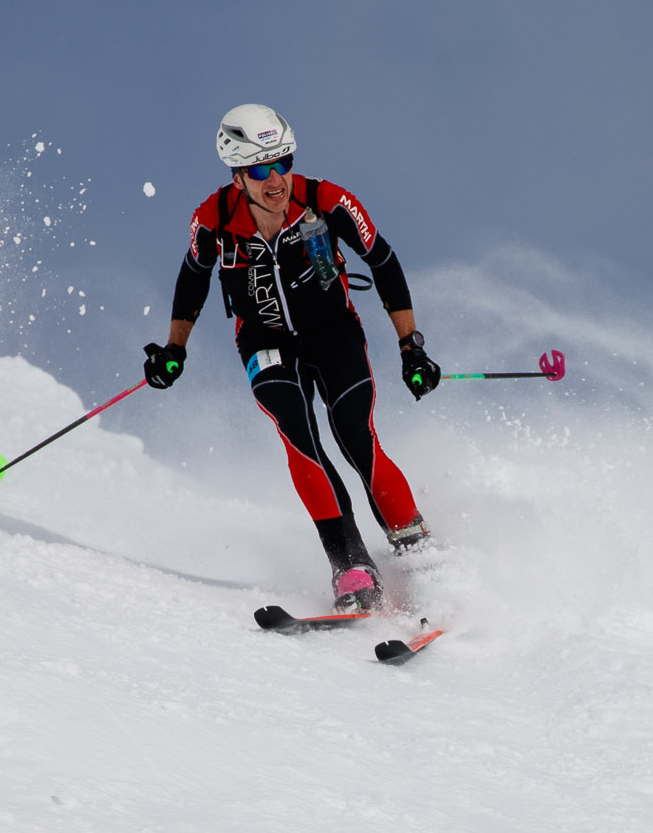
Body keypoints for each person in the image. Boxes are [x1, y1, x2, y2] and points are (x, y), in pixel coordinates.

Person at [143, 103, 441, 611]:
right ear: (237, 175)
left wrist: (411, 347)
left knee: (354, 437)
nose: (275, 178)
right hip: (265, 344)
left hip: (333, 335)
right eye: (259, 170)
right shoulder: (213, 218)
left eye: (282, 161)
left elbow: (384, 262)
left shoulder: (326, 200)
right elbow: (191, 278)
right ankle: (350, 568)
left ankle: (418, 553)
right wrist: (174, 349)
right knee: (299, 438)